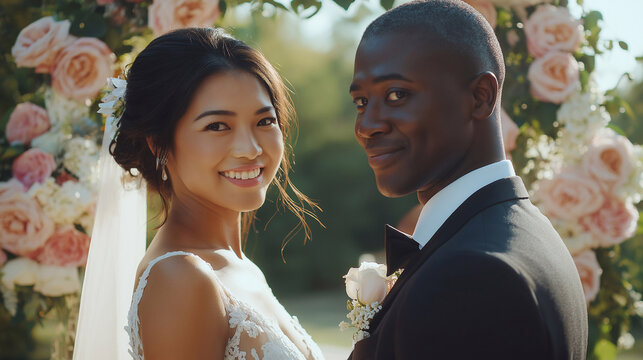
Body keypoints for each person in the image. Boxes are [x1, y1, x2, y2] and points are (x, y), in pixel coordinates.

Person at [347, 1, 588, 359]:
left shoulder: (476, 274)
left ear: (480, 97)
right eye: (362, 102)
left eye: (396, 94)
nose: (366, 126)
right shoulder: (520, 232)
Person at [106, 28, 323, 360]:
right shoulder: (179, 277)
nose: (251, 150)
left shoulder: (238, 265)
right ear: (158, 143)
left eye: (265, 121)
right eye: (217, 126)